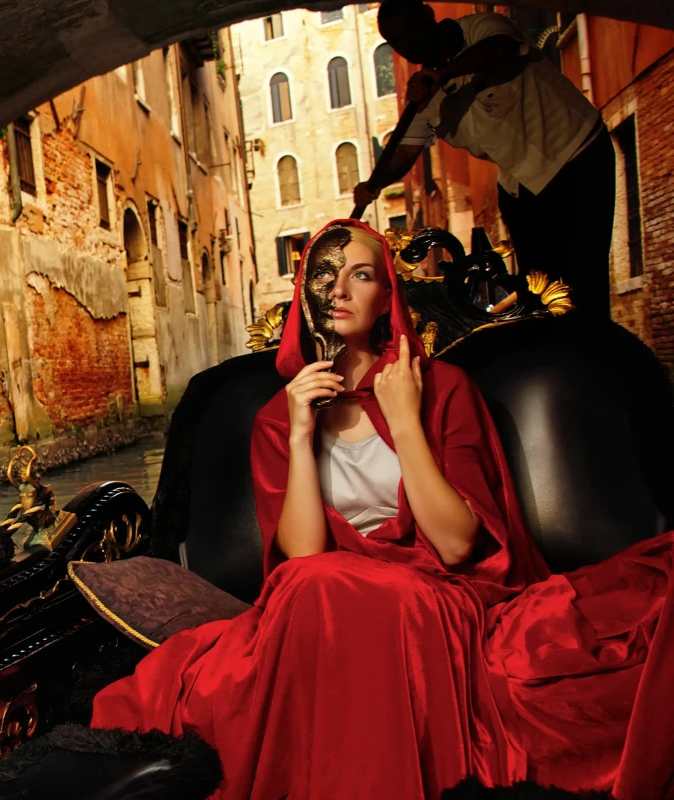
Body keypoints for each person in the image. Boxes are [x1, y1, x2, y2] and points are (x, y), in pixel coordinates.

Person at [90, 220, 674, 800]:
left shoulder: (442, 388)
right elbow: (304, 554)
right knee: (312, 584)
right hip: (326, 608)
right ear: (305, 291)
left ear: (387, 297)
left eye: (362, 275)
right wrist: (299, 434)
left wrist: (404, 420)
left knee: (321, 587)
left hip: (436, 597)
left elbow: (456, 545)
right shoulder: (278, 417)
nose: (339, 290)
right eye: (324, 274)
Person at [355, 0, 615, 318]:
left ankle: (596, 340)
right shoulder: (425, 98)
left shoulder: (482, 28)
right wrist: (374, 184)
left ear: (428, 15)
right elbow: (406, 152)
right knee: (540, 294)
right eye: (397, 41)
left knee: (585, 281)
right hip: (522, 184)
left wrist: (444, 73)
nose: (408, 44)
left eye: (410, 30)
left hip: (577, 153)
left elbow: (503, 48)